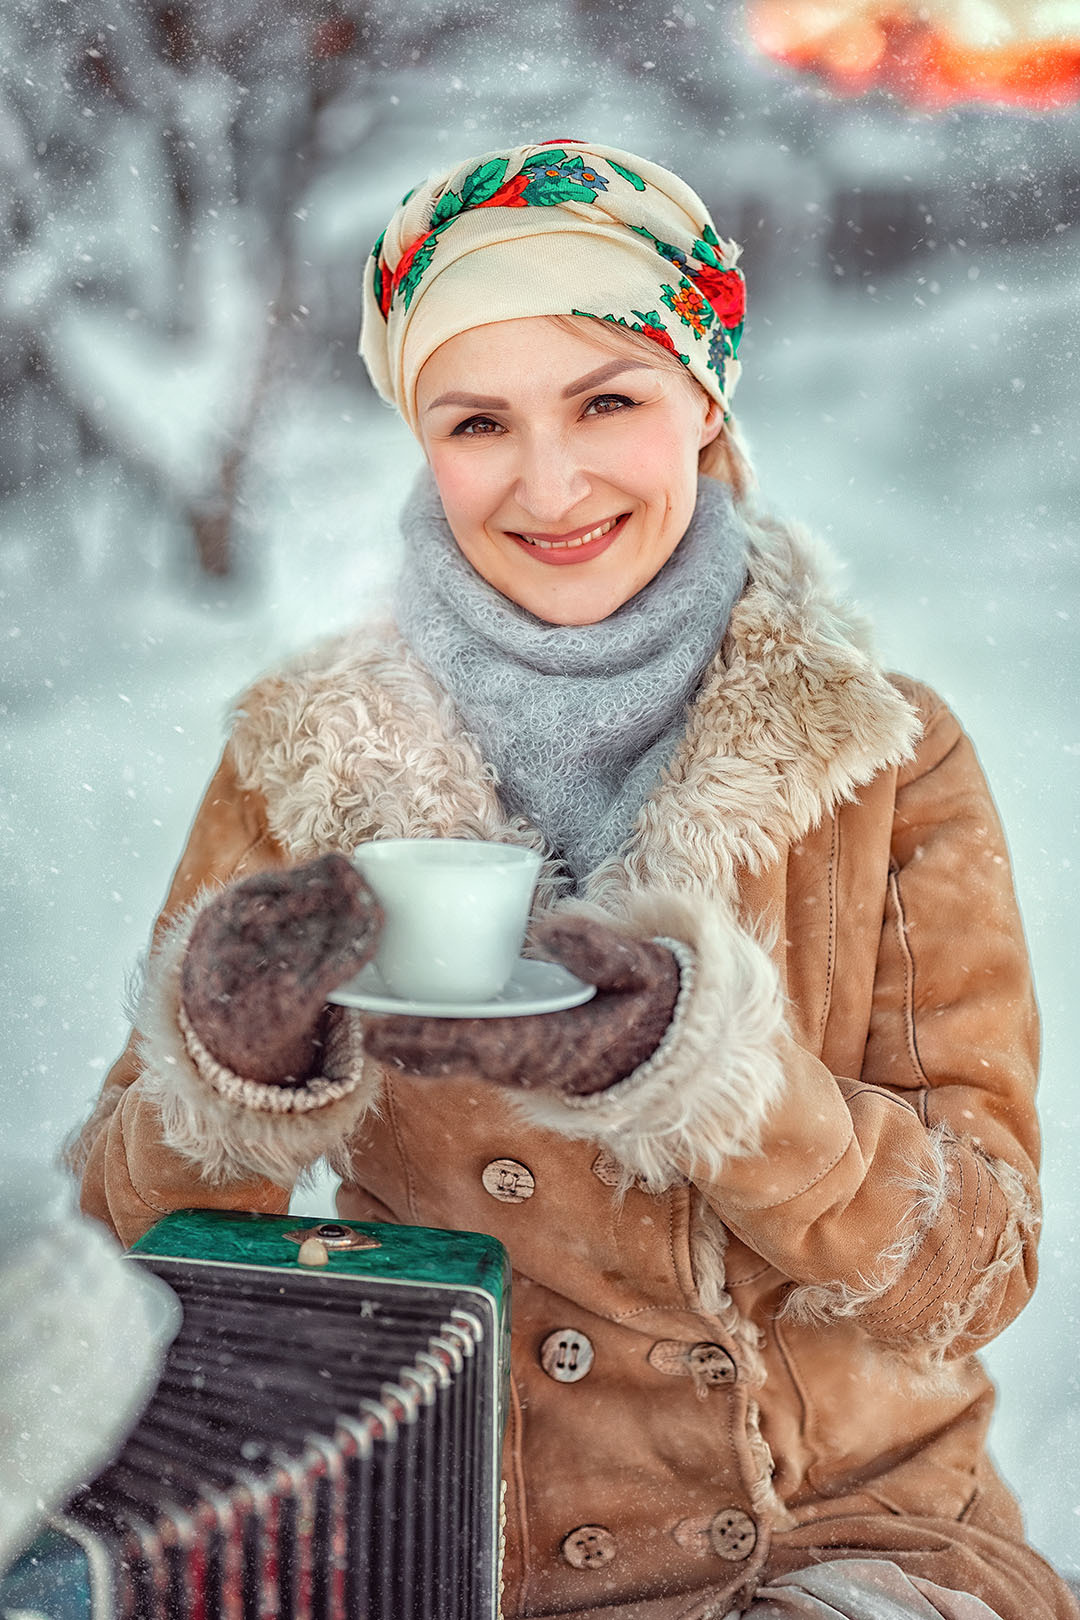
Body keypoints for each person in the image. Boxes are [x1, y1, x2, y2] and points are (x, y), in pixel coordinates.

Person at [66, 140, 1077, 1620]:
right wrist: (225, 1076)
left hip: (838, 1547)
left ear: (706, 398)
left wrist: (707, 1072)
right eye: (479, 420)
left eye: (609, 399)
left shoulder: (881, 759)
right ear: (420, 435)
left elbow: (974, 1270)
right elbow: (114, 1257)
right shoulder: (305, 763)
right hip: (442, 1547)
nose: (549, 483)